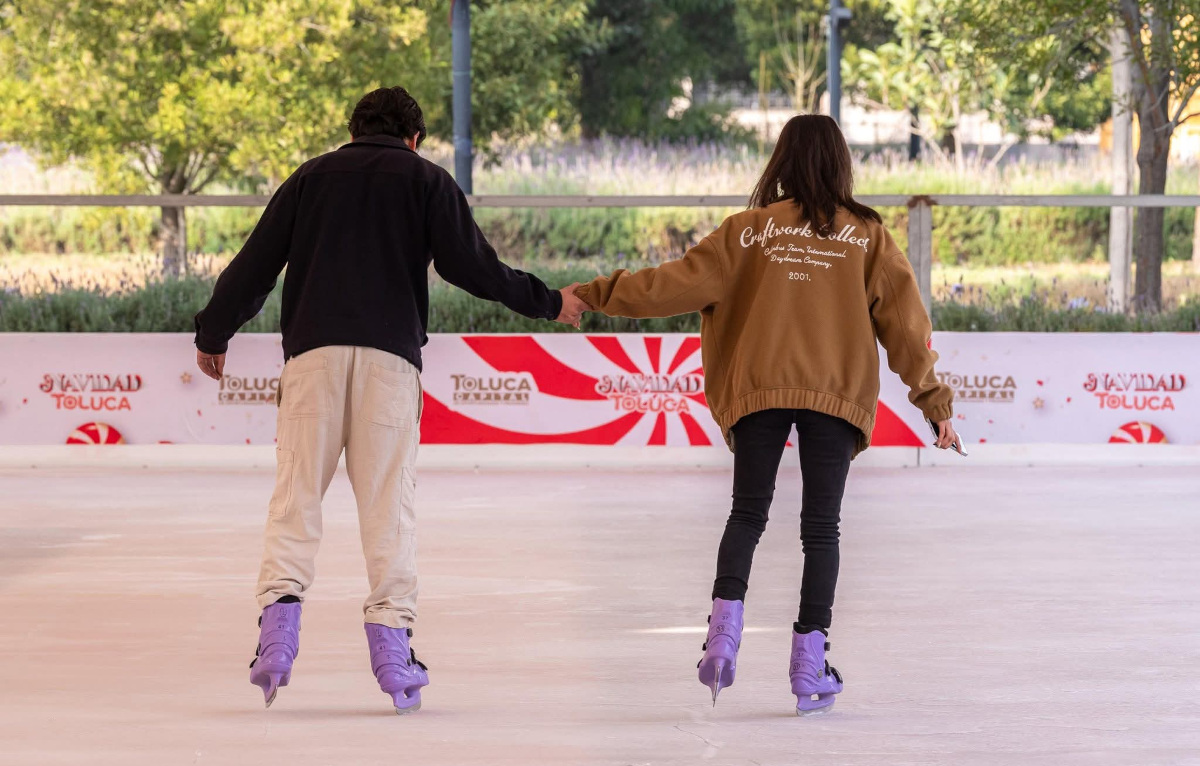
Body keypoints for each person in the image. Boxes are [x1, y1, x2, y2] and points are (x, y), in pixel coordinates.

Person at [193, 86, 590, 714]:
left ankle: (277, 637)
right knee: (388, 508)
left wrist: (213, 334)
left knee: (295, 497)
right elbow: (477, 269)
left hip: (312, 360)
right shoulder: (427, 181)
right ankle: (393, 651)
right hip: (389, 363)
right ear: (415, 139)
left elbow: (253, 266)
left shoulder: (310, 179)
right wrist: (550, 300)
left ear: (352, 131)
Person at [572, 114, 961, 715]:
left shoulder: (746, 232)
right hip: (833, 394)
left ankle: (723, 633)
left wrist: (593, 293)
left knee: (747, 513)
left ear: (781, 160)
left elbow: (666, 285)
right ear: (840, 162)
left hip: (759, 389)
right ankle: (809, 664)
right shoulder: (868, 237)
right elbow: (907, 328)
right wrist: (934, 403)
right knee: (820, 529)